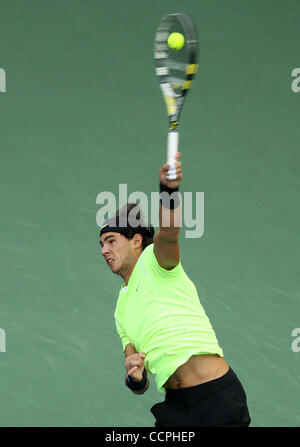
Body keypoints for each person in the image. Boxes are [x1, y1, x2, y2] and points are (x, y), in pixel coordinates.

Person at [99, 152, 251, 427]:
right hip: (177, 408)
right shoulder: (120, 310)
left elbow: (168, 231)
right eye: (101, 245)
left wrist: (168, 190)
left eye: (111, 241)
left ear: (136, 241)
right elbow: (138, 378)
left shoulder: (154, 261)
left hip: (215, 397)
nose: (104, 250)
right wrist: (135, 377)